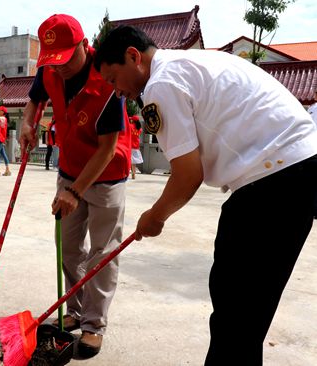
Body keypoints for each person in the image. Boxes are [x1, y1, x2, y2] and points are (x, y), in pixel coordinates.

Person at [94, 25, 317, 365]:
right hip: (296, 170)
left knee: (236, 315)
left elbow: (188, 175)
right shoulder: (191, 63)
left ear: (133, 56)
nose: (117, 92)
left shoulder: (161, 84)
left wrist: (154, 216)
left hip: (274, 181)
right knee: (245, 314)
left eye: (113, 79)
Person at [19, 14, 131, 358]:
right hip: (68, 168)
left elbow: (107, 148)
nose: (60, 67)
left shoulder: (108, 77)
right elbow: (35, 99)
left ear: (84, 46)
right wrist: (26, 121)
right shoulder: (50, 68)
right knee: (67, 246)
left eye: (66, 58)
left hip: (106, 174)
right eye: (53, 60)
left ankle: (94, 325)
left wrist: (74, 191)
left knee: (102, 254)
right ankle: (76, 309)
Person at [129, 114, 143, 179]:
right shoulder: (139, 128)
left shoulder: (130, 126)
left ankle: (130, 173)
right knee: (133, 161)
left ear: (132, 120)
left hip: (130, 145)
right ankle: (133, 173)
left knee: (129, 160)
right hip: (136, 146)